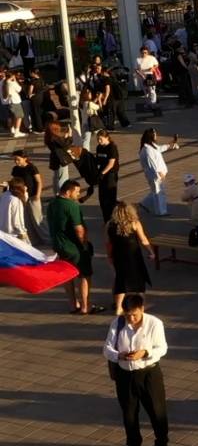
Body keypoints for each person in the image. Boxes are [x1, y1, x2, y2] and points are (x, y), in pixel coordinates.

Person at [103, 293, 169, 446]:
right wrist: (119, 355)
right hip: (125, 375)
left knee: (157, 411)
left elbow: (162, 348)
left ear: (142, 309)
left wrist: (145, 352)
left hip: (149, 374)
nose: (131, 319)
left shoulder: (154, 323)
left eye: (135, 315)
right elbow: (107, 349)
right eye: (128, 315)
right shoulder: (118, 323)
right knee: (129, 414)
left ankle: (161, 441)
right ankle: (133, 442)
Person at [48, 180, 101, 314]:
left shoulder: (52, 203)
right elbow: (79, 229)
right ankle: (85, 306)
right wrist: (84, 244)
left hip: (59, 245)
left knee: (67, 275)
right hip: (74, 247)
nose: (78, 194)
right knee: (84, 275)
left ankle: (73, 304)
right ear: (68, 192)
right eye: (76, 192)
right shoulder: (71, 206)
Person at [106, 202, 153, 315]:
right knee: (139, 280)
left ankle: (118, 307)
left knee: (120, 280)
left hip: (118, 256)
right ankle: (141, 305)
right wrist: (151, 252)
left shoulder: (109, 225)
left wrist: (109, 256)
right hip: (134, 256)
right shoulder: (134, 223)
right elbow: (143, 239)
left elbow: (108, 243)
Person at [138, 129, 178, 217]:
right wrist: (159, 173)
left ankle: (144, 204)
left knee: (155, 191)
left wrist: (170, 145)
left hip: (156, 174)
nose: (156, 136)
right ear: (151, 136)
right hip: (155, 175)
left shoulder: (151, 146)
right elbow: (152, 163)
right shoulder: (147, 149)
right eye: (155, 134)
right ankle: (161, 212)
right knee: (159, 192)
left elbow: (159, 148)